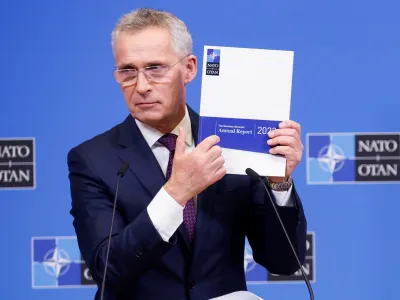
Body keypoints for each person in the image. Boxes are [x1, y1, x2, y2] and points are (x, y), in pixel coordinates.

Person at [67, 8, 307, 300]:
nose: (141, 86)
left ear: (190, 69)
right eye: (128, 71)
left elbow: (284, 261)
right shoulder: (93, 159)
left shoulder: (232, 142)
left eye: (155, 68)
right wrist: (175, 194)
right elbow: (107, 269)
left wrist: (279, 183)